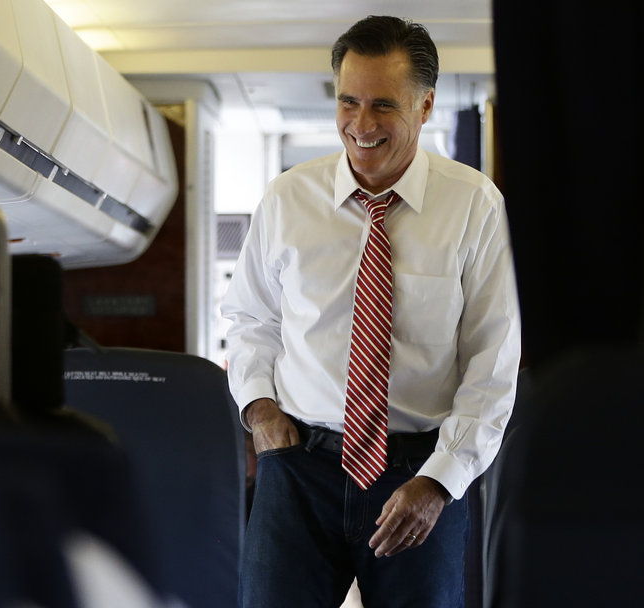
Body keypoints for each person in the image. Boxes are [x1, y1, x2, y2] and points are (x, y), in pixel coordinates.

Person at [222, 15, 521, 608]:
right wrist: (259, 409)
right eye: (348, 102)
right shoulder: (287, 199)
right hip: (299, 465)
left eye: (383, 105)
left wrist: (441, 481)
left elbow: (494, 361)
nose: (361, 125)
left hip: (420, 468)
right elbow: (250, 320)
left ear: (426, 105)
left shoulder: (475, 206)